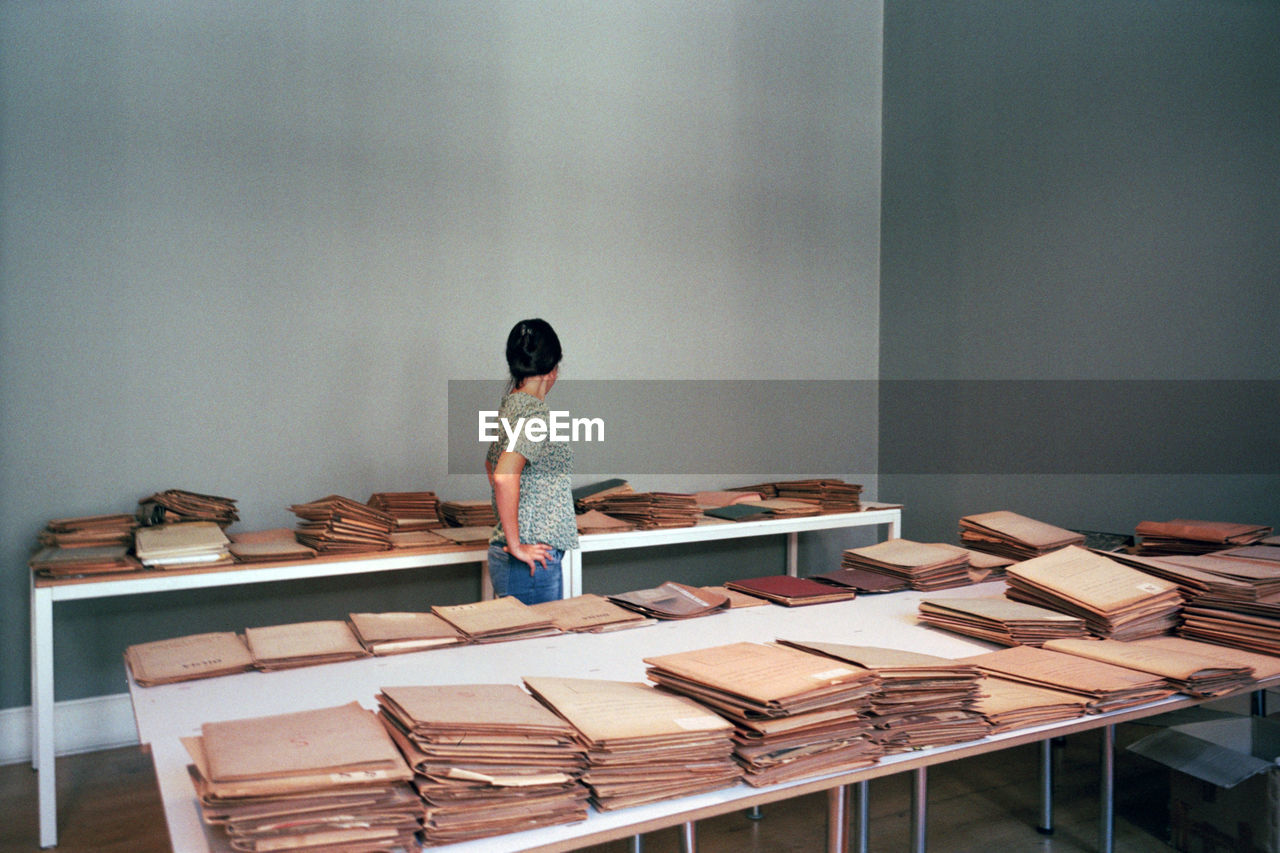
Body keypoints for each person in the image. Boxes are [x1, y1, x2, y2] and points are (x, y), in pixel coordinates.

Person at [484, 318, 579, 604]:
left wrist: (520, 512)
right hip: (530, 563)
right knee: (538, 649)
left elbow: (491, 464)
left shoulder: (511, 405)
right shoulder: (534, 415)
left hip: (523, 561)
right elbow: (503, 476)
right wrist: (517, 544)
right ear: (553, 370)